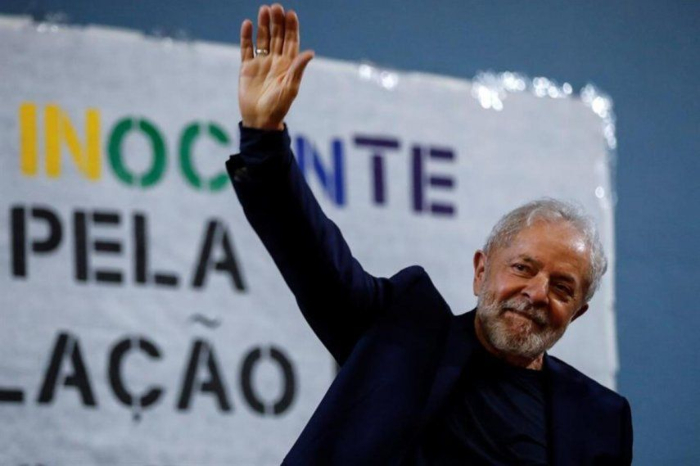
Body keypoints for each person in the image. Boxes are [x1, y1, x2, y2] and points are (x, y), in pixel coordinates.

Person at [227, 4, 633, 465]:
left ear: (576, 313)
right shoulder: (401, 334)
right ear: (481, 271)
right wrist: (264, 137)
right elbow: (311, 255)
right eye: (523, 268)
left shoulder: (600, 419)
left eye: (561, 288)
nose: (537, 293)